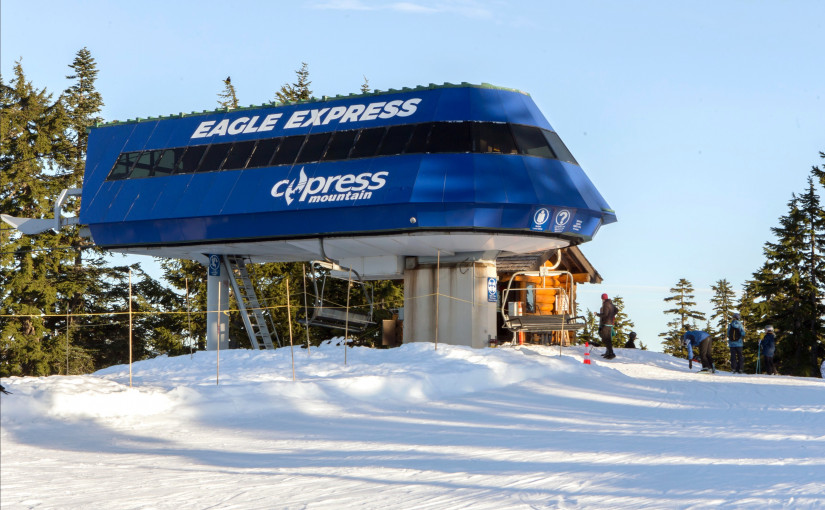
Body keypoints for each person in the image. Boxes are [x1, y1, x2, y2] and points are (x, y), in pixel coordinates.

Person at [598, 293, 617, 359]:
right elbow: (616, 310)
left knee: (606, 339)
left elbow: (605, 314)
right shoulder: (611, 304)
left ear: (602, 298)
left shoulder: (605, 304)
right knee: (608, 339)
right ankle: (609, 352)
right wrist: (612, 315)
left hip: (606, 323)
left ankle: (610, 353)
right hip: (610, 323)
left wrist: (597, 314)